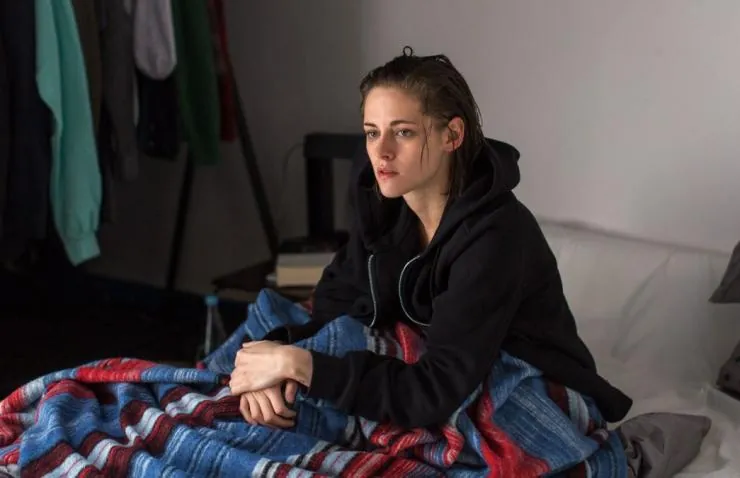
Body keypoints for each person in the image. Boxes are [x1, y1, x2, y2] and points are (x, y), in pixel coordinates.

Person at [228, 46, 633, 430]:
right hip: (441, 374)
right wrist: (273, 360)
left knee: (322, 393)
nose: (382, 152)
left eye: (403, 133)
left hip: (525, 381)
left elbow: (435, 391)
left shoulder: (495, 235)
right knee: (270, 359)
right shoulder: (384, 202)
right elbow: (335, 301)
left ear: (452, 135)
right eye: (372, 133)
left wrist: (298, 365)